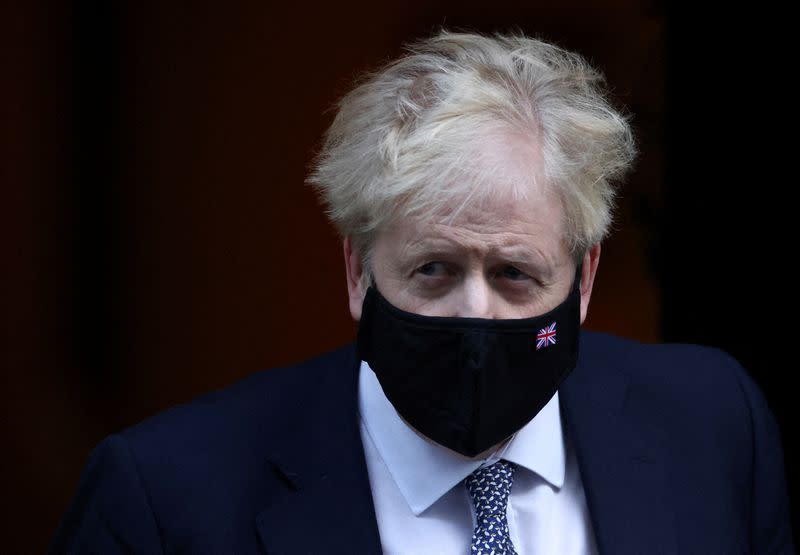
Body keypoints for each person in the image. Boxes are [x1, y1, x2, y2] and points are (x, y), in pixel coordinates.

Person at [49, 30, 794, 554]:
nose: (476, 312)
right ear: (358, 271)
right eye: (435, 269)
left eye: (514, 274)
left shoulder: (712, 426)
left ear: (586, 280)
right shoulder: (164, 498)